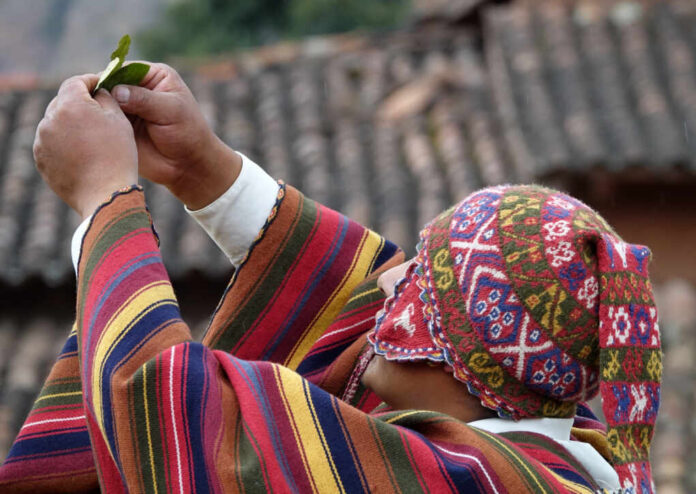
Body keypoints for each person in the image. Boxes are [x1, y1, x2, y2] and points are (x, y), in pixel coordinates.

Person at [0, 63, 661, 493]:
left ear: (472, 369)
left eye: (421, 291)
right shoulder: (537, 427)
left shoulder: (465, 482)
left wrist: (105, 198)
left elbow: (189, 425)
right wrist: (206, 171)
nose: (388, 285)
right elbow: (357, 286)